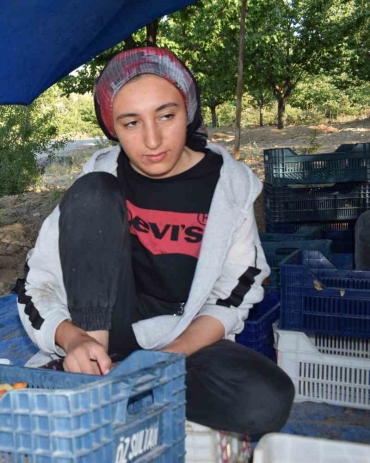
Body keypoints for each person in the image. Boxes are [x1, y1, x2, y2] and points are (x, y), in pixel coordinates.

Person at [16, 47, 295, 435]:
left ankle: (117, 390)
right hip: (99, 336)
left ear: (189, 111)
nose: (152, 139)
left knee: (266, 400)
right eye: (131, 123)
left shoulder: (228, 188)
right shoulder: (97, 180)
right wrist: (75, 340)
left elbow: (233, 293)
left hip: (175, 340)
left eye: (166, 115)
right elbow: (36, 283)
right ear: (112, 127)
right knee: (93, 192)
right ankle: (90, 378)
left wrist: (164, 359)